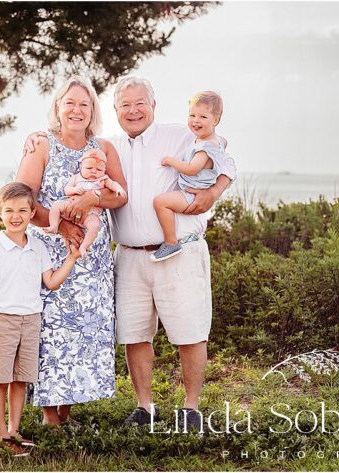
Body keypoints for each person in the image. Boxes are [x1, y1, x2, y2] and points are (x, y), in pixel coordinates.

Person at [108, 76, 236, 432]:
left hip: (180, 252)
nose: (133, 110)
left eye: (140, 103)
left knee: (190, 330)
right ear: (115, 110)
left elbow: (223, 151)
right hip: (130, 256)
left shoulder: (180, 135)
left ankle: (191, 407)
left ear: (153, 104)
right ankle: (144, 406)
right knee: (134, 334)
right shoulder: (110, 146)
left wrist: (215, 192)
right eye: (125, 105)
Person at [17, 77, 127, 426]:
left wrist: (94, 198)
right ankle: (50, 415)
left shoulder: (104, 148)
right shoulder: (42, 145)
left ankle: (66, 413)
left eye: (84, 104)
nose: (77, 110)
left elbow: (120, 194)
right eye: (70, 103)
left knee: (82, 332)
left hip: (92, 259)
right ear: (58, 108)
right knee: (52, 332)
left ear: (93, 111)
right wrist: (62, 226)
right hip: (52, 253)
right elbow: (22, 199)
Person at [0, 182, 79, 456]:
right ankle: (1, 434)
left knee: (20, 380)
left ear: (31, 213)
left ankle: (14, 431)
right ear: (0, 213)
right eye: (9, 210)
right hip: (2, 320)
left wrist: (72, 258)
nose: (15, 216)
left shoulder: (38, 247)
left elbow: (50, 282)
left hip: (31, 320)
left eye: (22, 210)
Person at [151, 91, 229, 261]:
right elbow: (224, 142)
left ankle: (171, 242)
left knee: (160, 203)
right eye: (192, 115)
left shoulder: (205, 148)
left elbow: (191, 169)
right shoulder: (217, 141)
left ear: (216, 120)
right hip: (195, 190)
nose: (195, 120)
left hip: (192, 195)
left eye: (203, 117)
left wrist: (170, 161)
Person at [44, 148, 125, 258]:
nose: (93, 171)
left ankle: (84, 246)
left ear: (104, 170)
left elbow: (113, 184)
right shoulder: (77, 177)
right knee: (56, 205)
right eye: (89, 168)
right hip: (70, 203)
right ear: (81, 167)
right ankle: (54, 225)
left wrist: (118, 189)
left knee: (94, 225)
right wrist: (74, 190)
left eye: (99, 169)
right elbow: (67, 189)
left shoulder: (103, 179)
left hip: (91, 213)